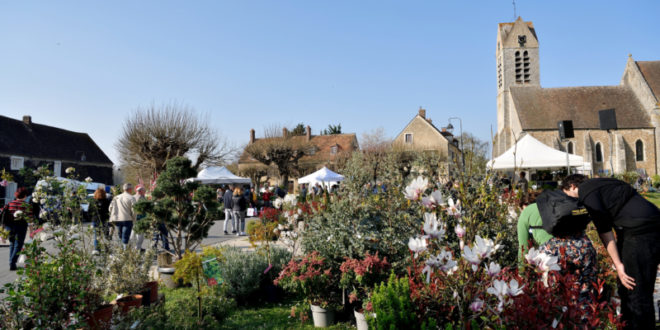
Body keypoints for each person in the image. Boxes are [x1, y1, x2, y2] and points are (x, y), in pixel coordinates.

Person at [563, 174, 660, 329]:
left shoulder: (586, 192)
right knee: (637, 287)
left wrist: (619, 266)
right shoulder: (604, 182)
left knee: (634, 289)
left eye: (567, 194)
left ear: (573, 186)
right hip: (653, 221)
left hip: (638, 232)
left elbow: (605, 232)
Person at [536, 179, 597, 315]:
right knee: (586, 288)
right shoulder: (586, 246)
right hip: (581, 245)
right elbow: (590, 280)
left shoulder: (548, 248)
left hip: (556, 246)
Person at [516, 192, 552, 264]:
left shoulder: (525, 213)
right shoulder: (550, 206)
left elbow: (523, 247)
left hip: (549, 248)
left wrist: (521, 271)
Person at [5, 188, 33, 270]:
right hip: (21, 226)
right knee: (19, 245)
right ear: (25, 196)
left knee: (12, 244)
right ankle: (12, 262)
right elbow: (30, 219)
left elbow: (4, 215)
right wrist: (31, 231)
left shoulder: (10, 204)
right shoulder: (27, 205)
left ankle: (12, 262)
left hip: (10, 226)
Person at [109, 183, 136, 249]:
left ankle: (120, 249)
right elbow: (134, 210)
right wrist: (134, 219)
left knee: (120, 235)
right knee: (126, 235)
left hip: (117, 218)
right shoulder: (131, 198)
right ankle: (124, 249)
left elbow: (110, 208)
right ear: (130, 189)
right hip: (127, 219)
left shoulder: (116, 197)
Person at [92, 188, 111, 253]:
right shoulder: (107, 201)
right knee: (106, 235)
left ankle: (97, 249)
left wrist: (92, 218)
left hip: (96, 220)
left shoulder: (93, 201)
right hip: (105, 219)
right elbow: (109, 211)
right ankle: (107, 248)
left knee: (97, 235)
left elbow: (90, 211)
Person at [131, 185, 147, 251]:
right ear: (140, 191)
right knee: (140, 234)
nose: (145, 192)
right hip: (139, 217)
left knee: (133, 232)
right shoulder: (140, 198)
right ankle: (138, 247)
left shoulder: (133, 197)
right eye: (144, 191)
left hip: (135, 217)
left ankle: (132, 247)